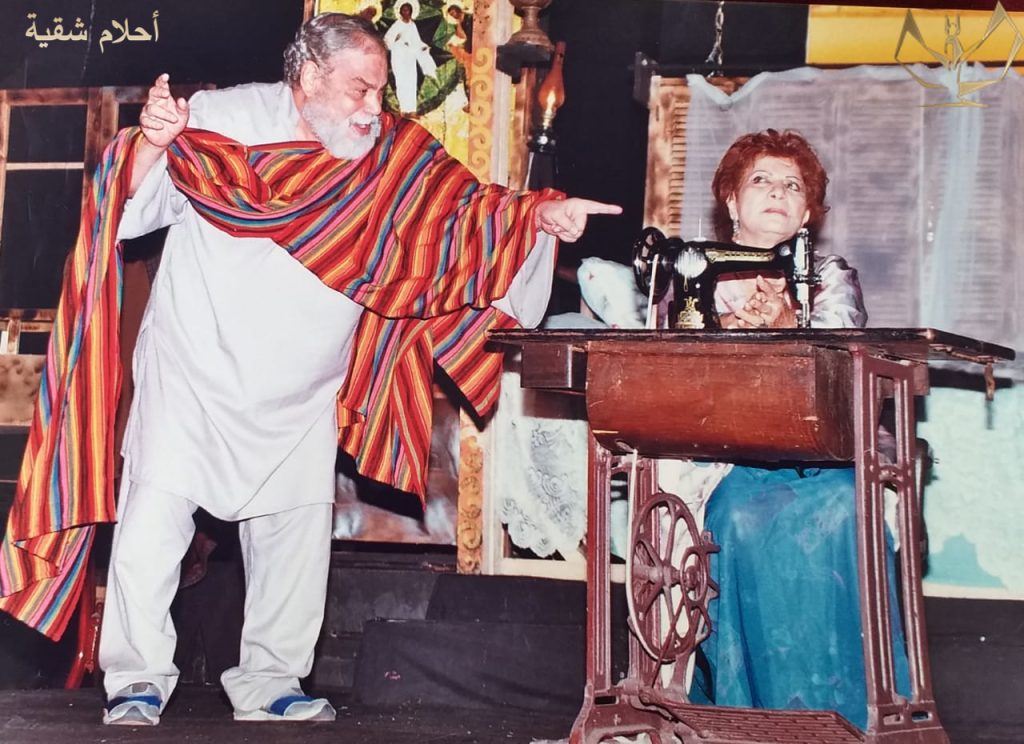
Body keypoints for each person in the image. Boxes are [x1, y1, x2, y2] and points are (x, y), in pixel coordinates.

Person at [0, 12, 620, 727]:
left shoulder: (391, 153)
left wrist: (539, 218)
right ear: (308, 75)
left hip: (302, 389)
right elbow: (131, 210)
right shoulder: (223, 119)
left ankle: (271, 679)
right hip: (194, 371)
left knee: (294, 538)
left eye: (380, 92)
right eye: (360, 89)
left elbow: (467, 213)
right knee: (152, 525)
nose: (373, 109)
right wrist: (153, 143)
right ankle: (136, 678)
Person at [686, 129, 910, 729]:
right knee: (735, 518)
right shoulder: (695, 274)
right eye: (761, 180)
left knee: (845, 509)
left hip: (825, 457)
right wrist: (728, 344)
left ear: (807, 212)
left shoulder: (829, 276)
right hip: (731, 458)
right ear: (731, 201)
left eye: (793, 186)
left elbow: (845, 358)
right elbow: (675, 372)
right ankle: (753, 721)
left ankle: (853, 721)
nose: (778, 193)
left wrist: (789, 322)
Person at [383, 1, 437, 116]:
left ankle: (411, 110)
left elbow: (416, 41)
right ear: (400, 11)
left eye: (408, 10)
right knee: (402, 82)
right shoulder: (397, 24)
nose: (406, 12)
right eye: (403, 10)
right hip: (399, 56)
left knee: (411, 81)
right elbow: (387, 40)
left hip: (410, 57)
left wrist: (423, 47)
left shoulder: (412, 25)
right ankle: (404, 110)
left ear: (411, 11)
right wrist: (397, 40)